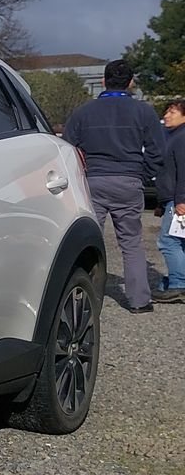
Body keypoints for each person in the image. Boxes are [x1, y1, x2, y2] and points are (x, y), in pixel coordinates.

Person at [61, 59, 165, 313]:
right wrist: (142, 175)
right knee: (131, 242)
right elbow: (158, 151)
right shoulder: (144, 112)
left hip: (93, 181)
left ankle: (81, 298)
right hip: (128, 180)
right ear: (131, 83)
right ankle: (139, 301)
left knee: (86, 240)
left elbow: (66, 148)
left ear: (103, 81)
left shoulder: (83, 112)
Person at [152, 98, 185, 302]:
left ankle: (178, 284)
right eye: (166, 112)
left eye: (172, 112)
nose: (166, 115)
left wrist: (181, 199)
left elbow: (184, 171)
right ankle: (177, 280)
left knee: (168, 241)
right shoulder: (174, 136)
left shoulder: (181, 138)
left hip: (178, 199)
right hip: (171, 198)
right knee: (179, 241)